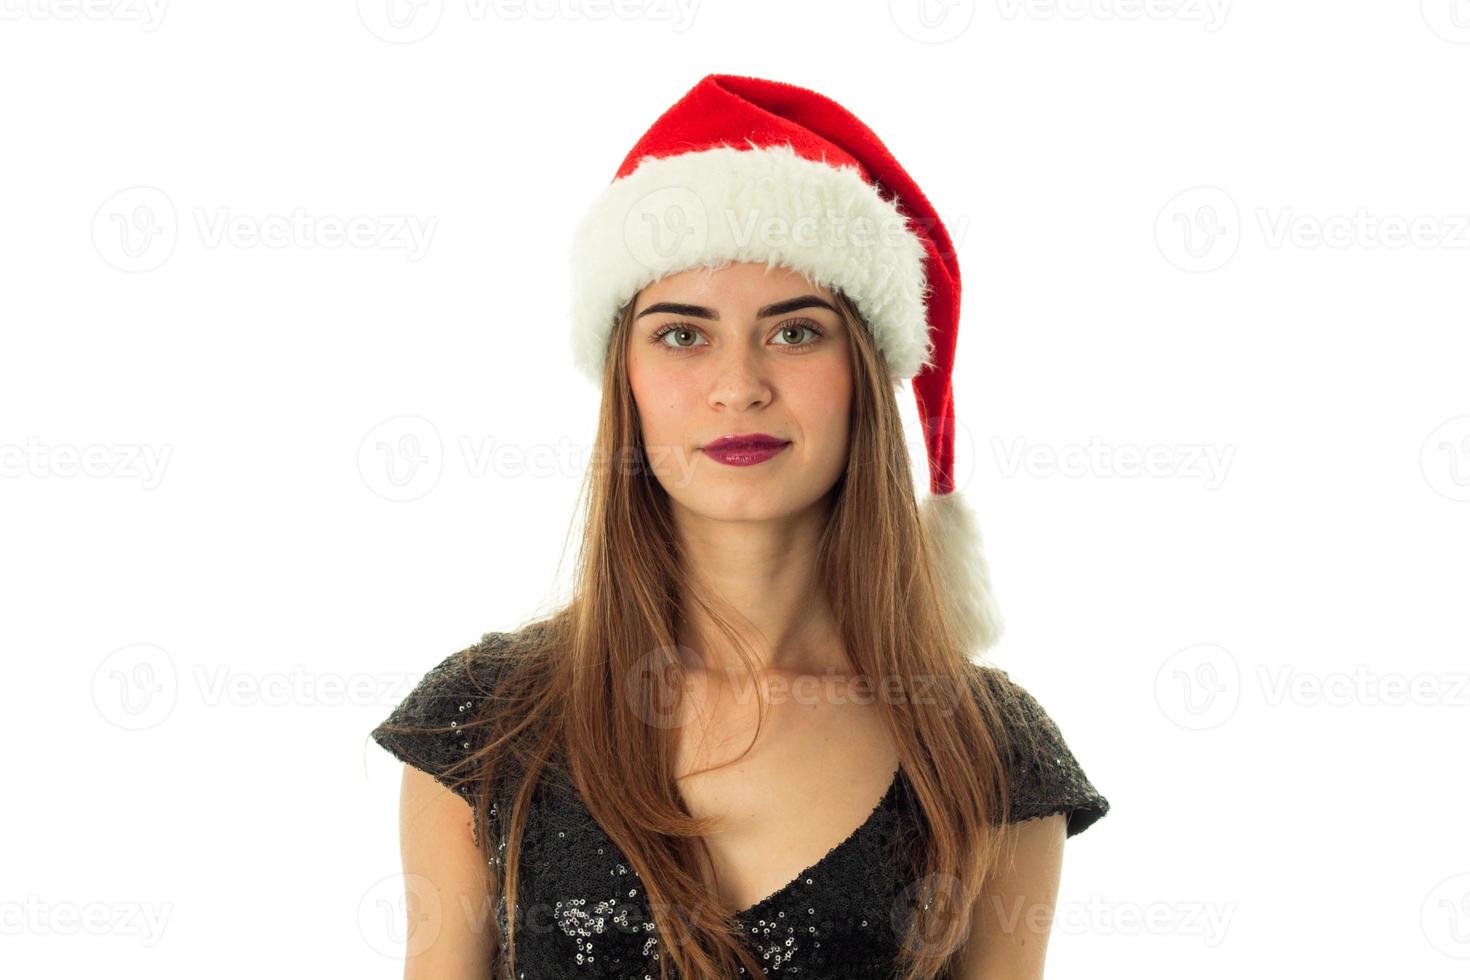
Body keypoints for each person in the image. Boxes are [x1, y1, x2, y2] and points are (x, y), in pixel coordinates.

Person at [370, 73, 1110, 980]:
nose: (739, 385)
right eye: (683, 335)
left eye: (795, 332)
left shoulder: (986, 751)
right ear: (626, 379)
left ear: (865, 374)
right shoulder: (485, 724)